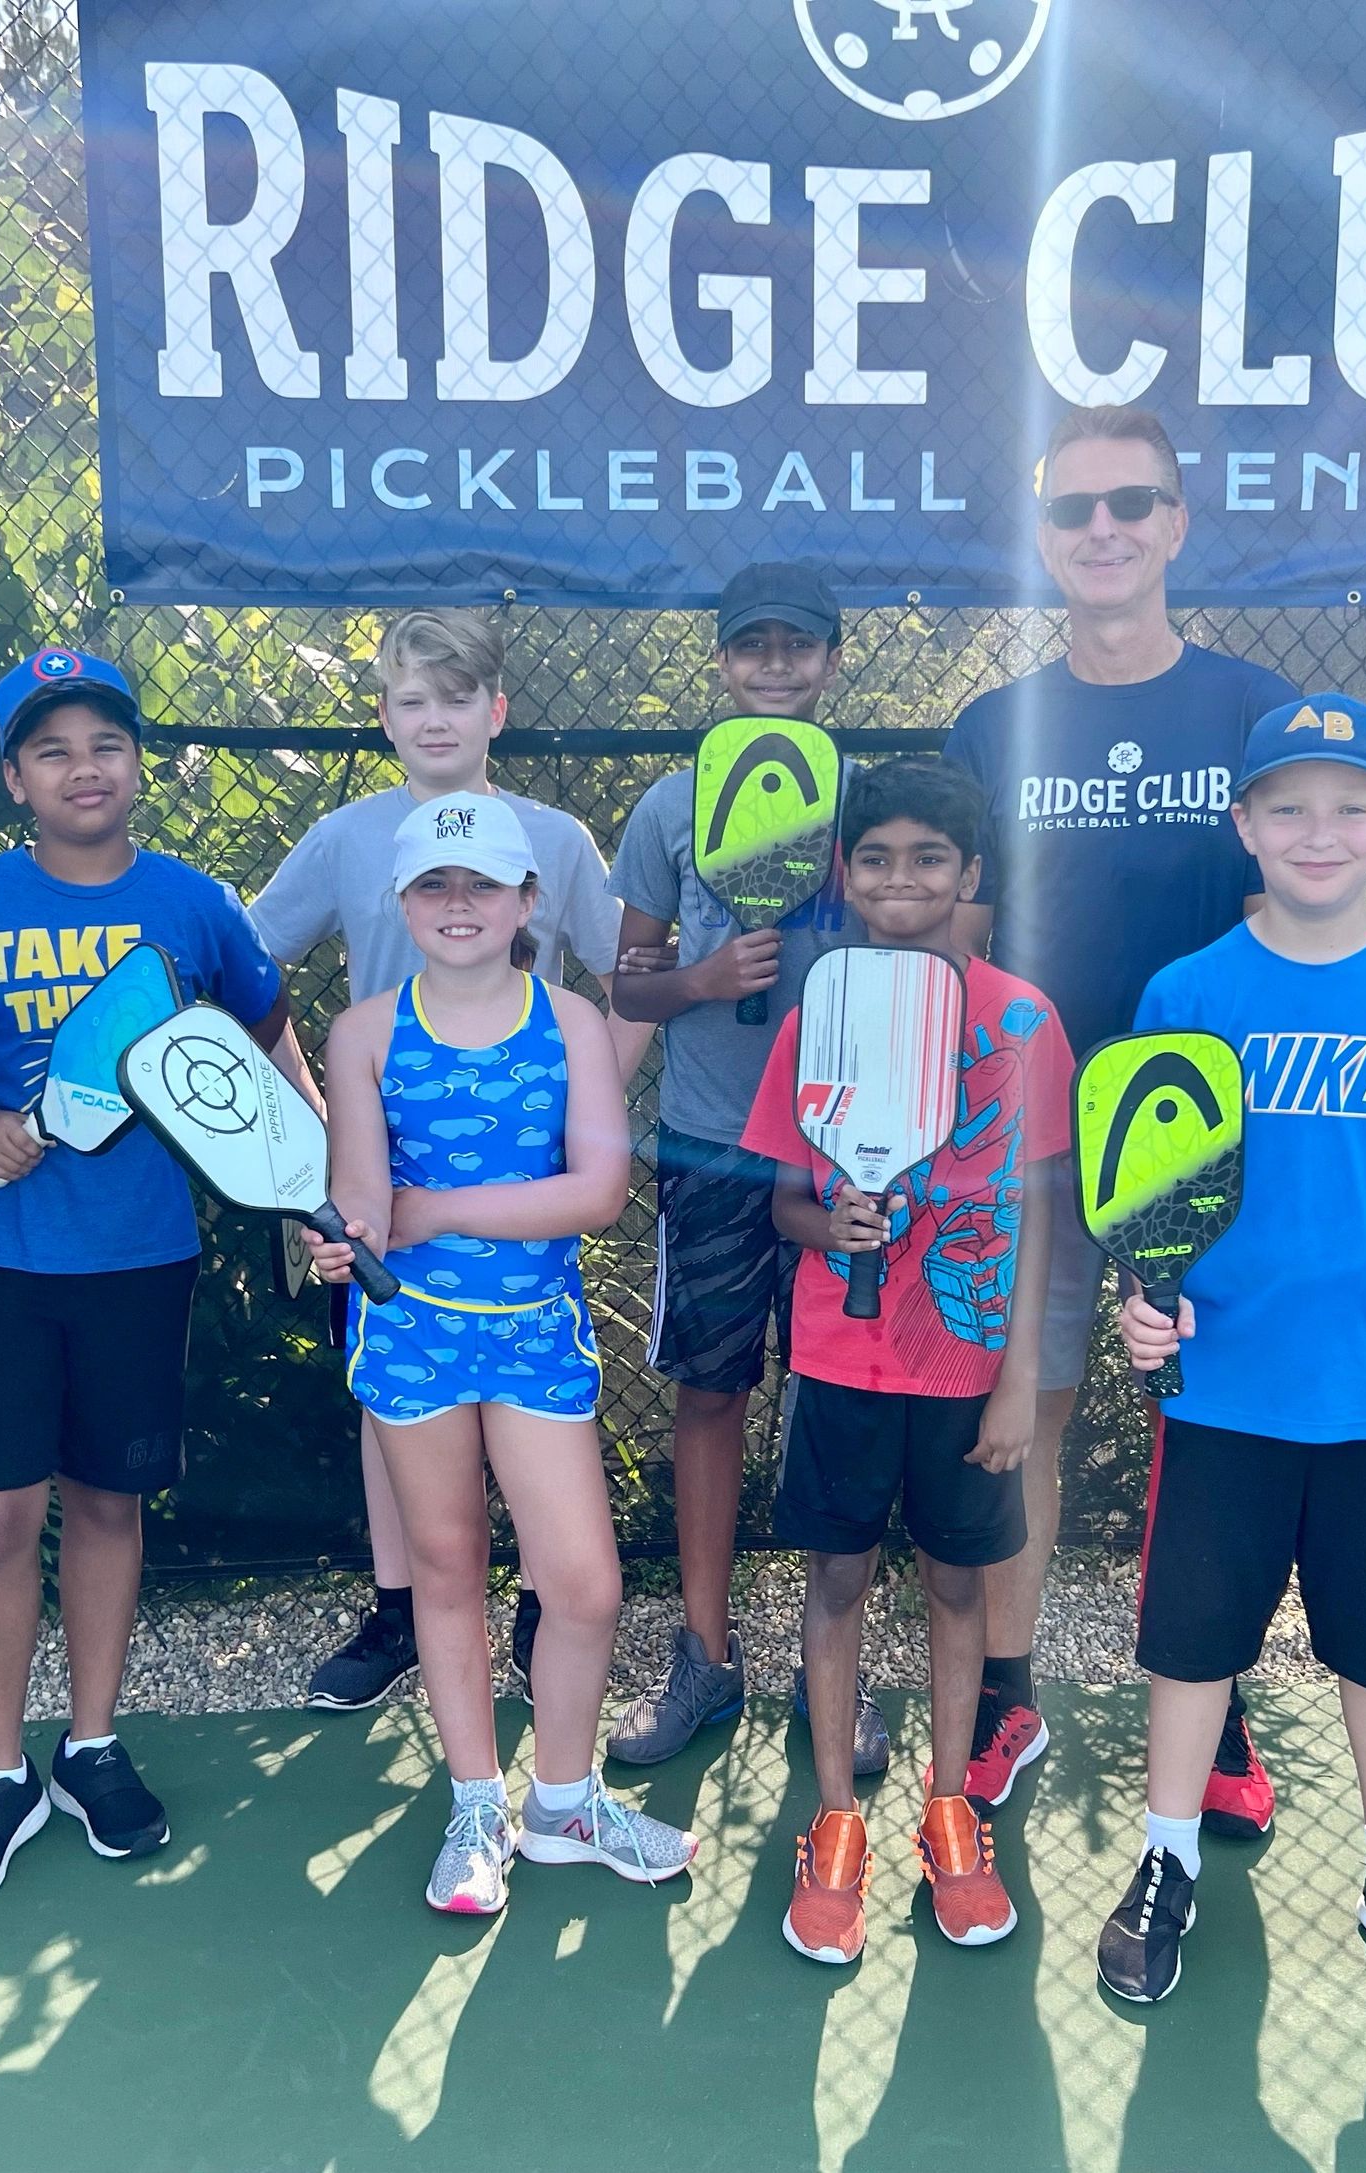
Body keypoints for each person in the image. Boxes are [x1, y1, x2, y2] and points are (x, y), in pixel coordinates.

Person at [1097, 695, 1366, 2016]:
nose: (1318, 832)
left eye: (1349, 806)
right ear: (1244, 825)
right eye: (1287, 806)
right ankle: (1167, 1856)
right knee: (1193, 1644)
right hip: (1225, 1394)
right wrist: (1142, 1303)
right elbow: (1152, 1193)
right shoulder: (1187, 992)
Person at [941, 403, 1297, 1830]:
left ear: (1175, 524)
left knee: (1211, 1424)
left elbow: (1292, 925)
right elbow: (960, 943)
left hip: (1206, 1147)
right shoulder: (992, 727)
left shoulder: (1252, 709)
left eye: (1130, 503)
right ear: (1043, 536)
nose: (1103, 530)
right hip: (1034, 1141)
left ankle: (1217, 1707)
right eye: (1074, 508)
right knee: (1025, 1414)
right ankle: (1009, 1694)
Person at [0, 647, 304, 1906]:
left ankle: (89, 1746)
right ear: (14, 777)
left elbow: (265, 1034)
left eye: (106, 745)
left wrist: (308, 1175)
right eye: (54, 750)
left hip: (139, 1252)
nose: (84, 768)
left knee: (109, 1502)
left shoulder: (194, 905)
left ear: (138, 764)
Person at [299, 793, 697, 1915]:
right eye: (434, 883)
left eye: (482, 883)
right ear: (402, 903)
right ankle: (478, 1805)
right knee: (445, 1568)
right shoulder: (362, 1033)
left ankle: (562, 1805)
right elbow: (365, 1197)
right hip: (410, 1336)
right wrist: (349, 1236)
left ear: (528, 900)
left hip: (534, 1336)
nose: (458, 902)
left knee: (583, 1584)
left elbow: (597, 1191)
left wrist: (430, 1209)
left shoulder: (571, 1022)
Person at [253, 608, 642, 1714]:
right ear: (383, 716)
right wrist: (323, 1125)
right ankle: (402, 1613)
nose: (434, 719)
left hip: (516, 1197)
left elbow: (631, 978)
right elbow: (247, 967)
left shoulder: (554, 838)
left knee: (535, 1410)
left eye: (456, 697)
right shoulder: (346, 838)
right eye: (411, 699)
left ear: (496, 711)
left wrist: (586, 1108)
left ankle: (540, 1611)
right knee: (398, 1401)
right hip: (384, 1192)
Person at [742, 757, 1075, 1964]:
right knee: (835, 1582)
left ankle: (950, 1814)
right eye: (875, 857)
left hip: (967, 1373)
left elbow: (1038, 1213)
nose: (901, 879)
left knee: (956, 1587)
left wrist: (1016, 1376)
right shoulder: (815, 1015)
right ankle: (835, 1821)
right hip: (840, 1362)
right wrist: (825, 1226)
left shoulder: (1023, 1022)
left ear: (969, 872)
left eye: (929, 857)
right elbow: (783, 1200)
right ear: (844, 872)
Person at [604, 561, 881, 1771]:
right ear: (721, 661)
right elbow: (630, 985)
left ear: (831, 662)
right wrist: (703, 980)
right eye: (753, 645)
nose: (776, 665)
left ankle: (837, 1667)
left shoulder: (869, 803)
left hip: (848, 1150)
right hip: (711, 1146)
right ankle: (705, 1656)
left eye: (798, 645)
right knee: (711, 1394)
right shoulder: (669, 807)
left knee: (841, 1402)